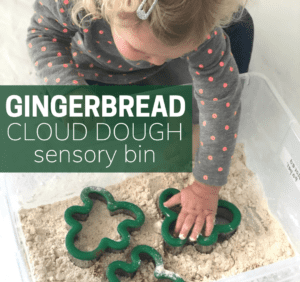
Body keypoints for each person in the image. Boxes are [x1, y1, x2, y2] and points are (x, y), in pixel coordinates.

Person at [27, 0, 254, 242]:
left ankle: (188, 100)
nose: (154, 60)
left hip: (170, 66)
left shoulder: (195, 26)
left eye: (160, 53)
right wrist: (69, 92)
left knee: (241, 26)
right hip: (97, 71)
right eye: (142, 50)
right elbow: (43, 35)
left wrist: (207, 185)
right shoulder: (75, 4)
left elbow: (220, 95)